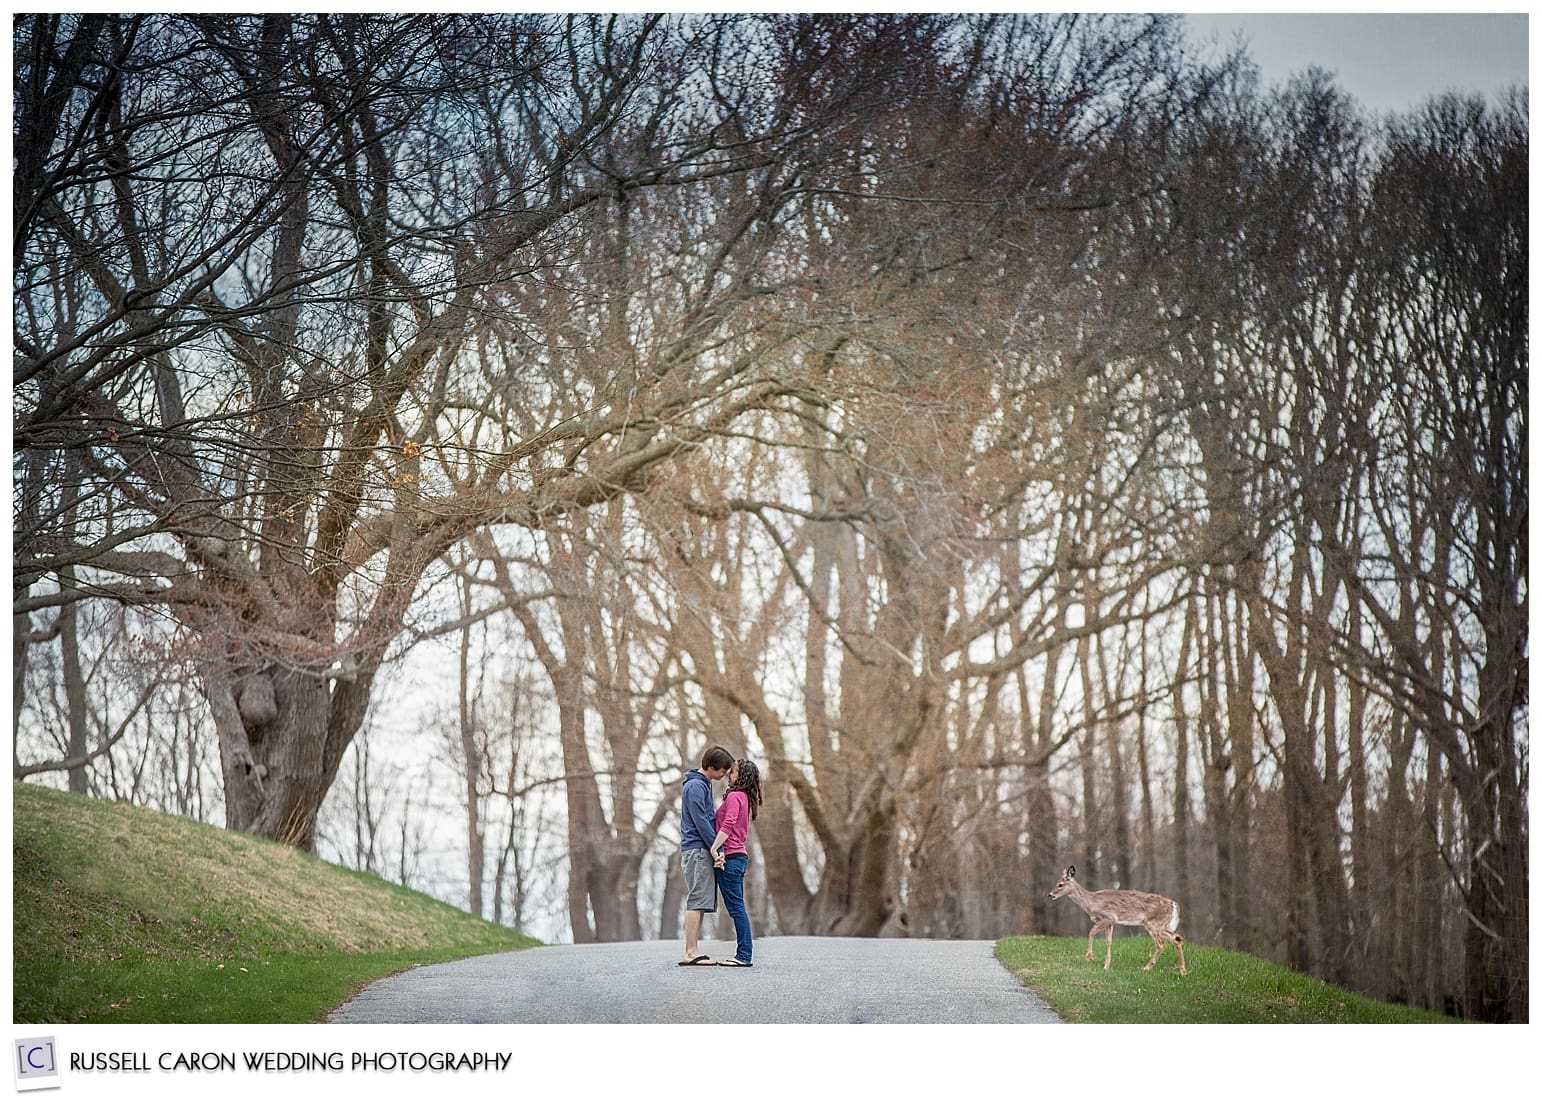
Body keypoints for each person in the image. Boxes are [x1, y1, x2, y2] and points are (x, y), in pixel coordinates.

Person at [679, 745, 734, 966]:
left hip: (702, 848)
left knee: (700, 901)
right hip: (697, 849)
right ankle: (690, 952)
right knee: (696, 900)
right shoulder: (695, 786)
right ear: (711, 767)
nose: (724, 775)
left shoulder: (702, 785)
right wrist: (716, 847)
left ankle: (694, 950)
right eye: (722, 771)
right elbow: (701, 820)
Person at [708, 758, 763, 968]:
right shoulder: (745, 798)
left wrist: (714, 848)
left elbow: (729, 824)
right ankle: (744, 954)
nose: (729, 773)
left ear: (742, 776)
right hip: (738, 857)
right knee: (737, 908)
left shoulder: (734, 797)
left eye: (733, 771)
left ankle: (743, 956)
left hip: (730, 858)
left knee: (737, 908)